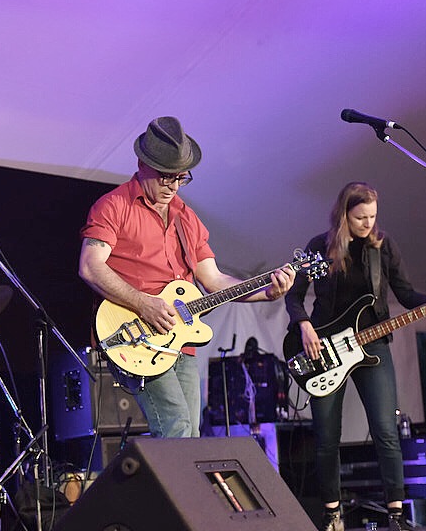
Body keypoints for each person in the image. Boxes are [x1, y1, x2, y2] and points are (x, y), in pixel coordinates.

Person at [79, 116, 294, 439]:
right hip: (137, 336)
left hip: (180, 342)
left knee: (190, 435)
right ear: (142, 164)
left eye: (180, 178)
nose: (173, 186)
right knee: (176, 428)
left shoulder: (187, 217)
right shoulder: (114, 206)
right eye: (166, 177)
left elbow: (214, 281)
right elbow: (91, 266)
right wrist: (144, 303)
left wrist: (267, 293)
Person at [285, 181, 426, 531]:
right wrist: (304, 325)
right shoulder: (318, 248)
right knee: (326, 436)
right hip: (323, 348)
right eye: (360, 218)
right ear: (344, 215)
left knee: (386, 430)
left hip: (373, 345)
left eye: (372, 216)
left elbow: (405, 293)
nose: (367, 224)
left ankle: (396, 514)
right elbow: (294, 296)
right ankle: (331, 513)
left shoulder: (383, 248)